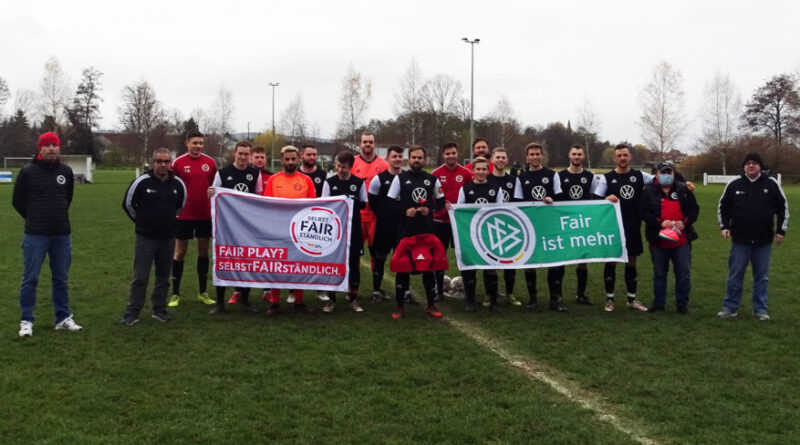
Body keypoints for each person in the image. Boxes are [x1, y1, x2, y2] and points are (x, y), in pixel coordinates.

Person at [12, 131, 83, 337]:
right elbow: (17, 201)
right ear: (40, 148)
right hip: (35, 235)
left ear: (59, 148)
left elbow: (67, 198)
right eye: (47, 145)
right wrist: (33, 218)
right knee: (30, 278)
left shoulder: (66, 172)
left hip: (62, 234)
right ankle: (26, 320)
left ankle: (63, 318)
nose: (51, 148)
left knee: (61, 278)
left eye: (55, 145)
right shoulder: (27, 173)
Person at [717, 153, 788, 320]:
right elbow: (723, 206)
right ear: (744, 166)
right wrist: (724, 226)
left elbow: (783, 207)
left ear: (760, 167)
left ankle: (760, 310)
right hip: (740, 240)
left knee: (761, 278)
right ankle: (730, 308)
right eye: (748, 163)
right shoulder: (734, 184)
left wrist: (781, 231)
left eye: (754, 163)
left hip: (763, 241)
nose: (751, 166)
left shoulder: (771, 184)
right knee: (735, 276)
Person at [121, 148, 187, 326]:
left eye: (166, 161)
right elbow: (127, 204)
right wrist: (142, 222)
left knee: (163, 276)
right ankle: (133, 311)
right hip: (146, 239)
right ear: (153, 162)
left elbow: (180, 206)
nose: (163, 165)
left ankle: (159, 309)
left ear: (170, 163)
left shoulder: (178, 184)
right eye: (159, 161)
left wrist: (167, 222)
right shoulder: (142, 182)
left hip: (167, 238)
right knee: (140, 277)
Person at [387, 146, 445, 319]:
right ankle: (399, 306)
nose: (417, 160)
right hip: (406, 231)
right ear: (408, 159)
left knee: (428, 268)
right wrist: (404, 212)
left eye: (420, 157)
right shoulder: (400, 179)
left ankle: (431, 304)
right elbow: (390, 203)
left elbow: (441, 202)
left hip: (426, 231)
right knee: (402, 269)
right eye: (413, 157)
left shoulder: (432, 180)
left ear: (425, 159)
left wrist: (430, 209)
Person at [206, 140, 263, 314]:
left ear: (250, 155)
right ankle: (220, 302)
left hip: (247, 226)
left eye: (247, 154)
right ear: (234, 153)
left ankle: (244, 301)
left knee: (248, 261)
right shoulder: (223, 173)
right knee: (223, 260)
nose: (244, 157)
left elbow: (259, 198)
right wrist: (211, 193)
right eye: (241, 153)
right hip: (226, 226)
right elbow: (213, 196)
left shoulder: (255, 173)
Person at [593, 143, 651, 312]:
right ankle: (609, 300)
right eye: (619, 155)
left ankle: (631, 300)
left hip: (633, 225)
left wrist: (684, 183)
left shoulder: (640, 176)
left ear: (630, 157)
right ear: (615, 158)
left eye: (625, 155)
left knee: (631, 261)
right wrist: (605, 198)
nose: (622, 158)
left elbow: (661, 179)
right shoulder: (606, 178)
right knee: (611, 261)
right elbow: (594, 200)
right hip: (612, 227)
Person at [262, 145, 317, 315]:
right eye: (287, 159)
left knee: (299, 265)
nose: (291, 162)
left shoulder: (306, 180)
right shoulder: (273, 180)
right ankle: (275, 303)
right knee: (277, 266)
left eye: (293, 159)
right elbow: (266, 205)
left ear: (298, 159)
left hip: (300, 232)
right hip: (278, 230)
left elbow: (313, 206)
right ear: (282, 160)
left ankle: (299, 302)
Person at [549, 144, 603, 311]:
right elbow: (557, 198)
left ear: (583, 156)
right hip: (564, 223)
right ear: (569, 155)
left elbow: (594, 198)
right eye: (574, 154)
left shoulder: (590, 176)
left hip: (582, 223)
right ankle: (556, 297)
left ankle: (581, 294)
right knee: (561, 260)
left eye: (579, 154)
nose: (577, 157)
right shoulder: (560, 176)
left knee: (583, 261)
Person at [640, 162, 699, 314]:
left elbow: (694, 209)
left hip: (681, 240)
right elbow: (644, 212)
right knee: (659, 273)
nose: (666, 175)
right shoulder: (649, 191)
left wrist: (684, 223)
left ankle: (682, 305)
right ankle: (659, 303)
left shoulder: (683, 189)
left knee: (683, 274)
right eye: (662, 172)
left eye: (669, 172)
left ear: (673, 174)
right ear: (656, 174)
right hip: (658, 240)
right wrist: (660, 223)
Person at [170, 130, 217, 307]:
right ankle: (175, 293)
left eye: (201, 143)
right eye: (195, 143)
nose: (198, 146)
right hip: (184, 215)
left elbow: (214, 186)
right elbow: (172, 187)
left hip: (205, 215)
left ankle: (203, 292)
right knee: (179, 253)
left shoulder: (210, 163)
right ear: (187, 143)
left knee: (203, 252)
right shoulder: (178, 163)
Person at [514, 142, 560, 310]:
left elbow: (560, 199)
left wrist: (552, 200)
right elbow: (517, 202)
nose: (534, 157)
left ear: (542, 155)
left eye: (537, 154)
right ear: (527, 157)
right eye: (531, 154)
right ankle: (532, 299)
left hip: (549, 225)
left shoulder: (552, 175)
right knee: (530, 262)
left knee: (554, 262)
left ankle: (555, 299)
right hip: (529, 226)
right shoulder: (521, 178)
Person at [321, 151, 368, 313]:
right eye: (338, 166)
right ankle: (331, 300)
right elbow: (323, 204)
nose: (341, 170)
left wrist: (351, 199)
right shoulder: (329, 182)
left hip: (353, 230)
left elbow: (364, 204)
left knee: (354, 265)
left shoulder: (358, 183)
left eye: (344, 167)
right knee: (333, 263)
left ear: (351, 167)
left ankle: (353, 298)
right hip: (334, 231)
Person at [456, 157, 503, 312]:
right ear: (473, 170)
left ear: (488, 170)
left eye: (484, 169)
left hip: (490, 235)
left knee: (491, 267)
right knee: (470, 267)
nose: (481, 172)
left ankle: (494, 302)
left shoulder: (496, 188)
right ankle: (470, 301)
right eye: (478, 169)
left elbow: (501, 211)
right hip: (471, 235)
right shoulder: (465, 189)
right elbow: (459, 212)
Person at [431, 142, 473, 302]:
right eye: (447, 153)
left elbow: (471, 194)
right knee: (439, 256)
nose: (450, 156)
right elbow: (432, 197)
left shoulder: (466, 173)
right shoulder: (435, 174)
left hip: (460, 223)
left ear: (457, 154)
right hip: (440, 222)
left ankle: (468, 290)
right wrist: (442, 207)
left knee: (464, 254)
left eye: (453, 153)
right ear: (443, 155)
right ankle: (439, 290)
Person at [351, 131, 389, 289]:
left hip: (375, 217)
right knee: (355, 255)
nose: (368, 144)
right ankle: (353, 288)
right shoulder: (352, 162)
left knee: (377, 254)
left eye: (370, 142)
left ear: (375, 144)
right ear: (359, 144)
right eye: (365, 142)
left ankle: (377, 289)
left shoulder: (383, 164)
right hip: (357, 217)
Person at [368, 145, 405, 303]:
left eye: (400, 156)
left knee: (402, 259)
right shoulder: (379, 179)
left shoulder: (407, 178)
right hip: (384, 226)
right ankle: (377, 292)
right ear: (388, 159)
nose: (397, 159)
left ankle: (405, 292)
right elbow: (373, 200)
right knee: (380, 258)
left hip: (403, 226)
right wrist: (384, 215)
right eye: (394, 156)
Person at [487, 147, 523, 307]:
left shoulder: (514, 181)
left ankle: (510, 293)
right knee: (489, 261)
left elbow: (519, 203)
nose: (501, 160)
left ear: (507, 161)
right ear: (492, 160)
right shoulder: (486, 179)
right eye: (498, 157)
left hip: (510, 226)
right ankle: (489, 294)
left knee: (510, 261)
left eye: (503, 157)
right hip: (491, 226)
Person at [295, 143, 331, 304]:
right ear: (302, 155)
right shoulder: (295, 174)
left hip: (317, 221)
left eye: (314, 154)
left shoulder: (324, 175)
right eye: (309, 154)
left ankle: (320, 289)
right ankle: (293, 290)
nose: (312, 157)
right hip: (298, 221)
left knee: (318, 255)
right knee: (296, 255)